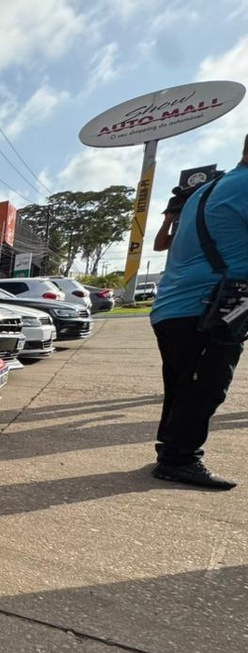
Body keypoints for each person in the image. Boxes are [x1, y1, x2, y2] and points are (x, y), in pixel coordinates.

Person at [148, 135, 248, 490]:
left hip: (174, 307)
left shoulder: (206, 192)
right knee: (205, 385)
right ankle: (179, 459)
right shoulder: (243, 186)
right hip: (209, 305)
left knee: (182, 385)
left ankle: (170, 452)